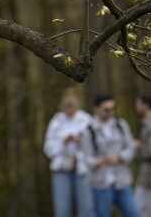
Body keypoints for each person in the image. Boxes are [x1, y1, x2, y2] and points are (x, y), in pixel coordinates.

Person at [82, 93, 139, 217]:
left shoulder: (121, 125)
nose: (110, 112)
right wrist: (96, 162)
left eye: (113, 109)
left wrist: (119, 157)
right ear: (96, 108)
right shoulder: (88, 130)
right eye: (106, 109)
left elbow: (130, 148)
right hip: (100, 184)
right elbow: (86, 158)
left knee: (133, 213)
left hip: (122, 182)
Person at [43, 89, 94, 217]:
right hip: (61, 169)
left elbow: (94, 146)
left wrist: (81, 141)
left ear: (78, 104)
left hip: (82, 169)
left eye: (72, 104)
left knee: (87, 208)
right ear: (61, 105)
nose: (70, 108)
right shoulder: (56, 122)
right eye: (67, 105)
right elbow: (48, 148)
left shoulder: (86, 120)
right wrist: (63, 142)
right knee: (62, 209)